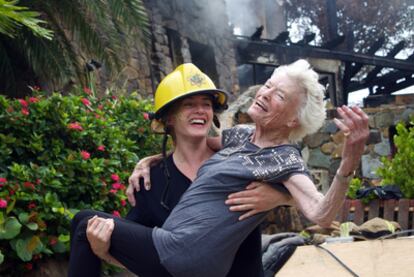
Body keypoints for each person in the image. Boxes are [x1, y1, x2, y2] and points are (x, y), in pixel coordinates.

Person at [68, 59, 369, 277]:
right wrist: (148, 160)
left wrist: (346, 164)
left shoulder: (283, 159)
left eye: (279, 95)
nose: (264, 94)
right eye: (267, 85)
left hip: (195, 259)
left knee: (83, 220)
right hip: (176, 257)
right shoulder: (237, 138)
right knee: (87, 226)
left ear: (294, 120)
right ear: (168, 119)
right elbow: (202, 141)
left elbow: (320, 213)